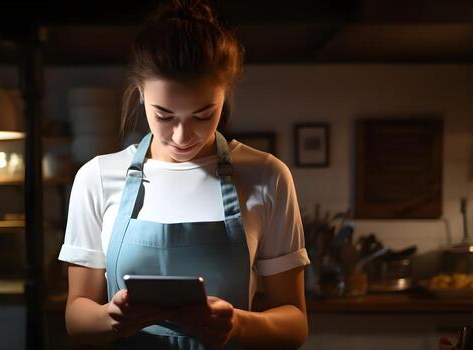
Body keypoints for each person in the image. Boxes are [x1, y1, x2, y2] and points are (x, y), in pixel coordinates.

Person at [59, 1, 310, 348]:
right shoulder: (97, 178)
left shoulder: (267, 176)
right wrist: (108, 317)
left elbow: (295, 323)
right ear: (140, 93)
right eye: (163, 114)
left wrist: (237, 324)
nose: (181, 135)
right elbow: (76, 316)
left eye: (203, 114)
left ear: (225, 94)